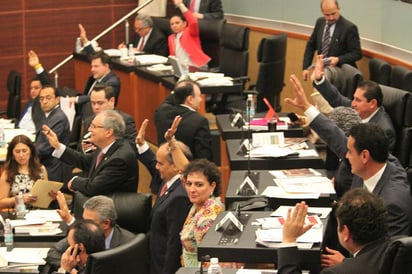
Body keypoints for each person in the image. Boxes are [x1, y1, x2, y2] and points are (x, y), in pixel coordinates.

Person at [285, 73, 412, 266]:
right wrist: (307, 108)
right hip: (344, 238)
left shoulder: (393, 201)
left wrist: (347, 263)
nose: (345, 156)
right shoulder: (372, 163)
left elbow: (389, 258)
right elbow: (337, 138)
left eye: (350, 152)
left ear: (364, 156)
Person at [278, 189, 391, 274]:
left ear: (346, 233)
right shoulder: (397, 253)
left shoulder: (336, 273)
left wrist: (289, 240)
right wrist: (346, 262)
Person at [136, 118, 192, 274]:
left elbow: (174, 242)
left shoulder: (180, 196)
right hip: (154, 255)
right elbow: (152, 163)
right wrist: (142, 145)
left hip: (163, 264)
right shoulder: (168, 180)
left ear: (175, 166)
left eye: (160, 163)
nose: (156, 166)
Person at [41, 109, 138, 196]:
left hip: (113, 212)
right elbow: (85, 161)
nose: (89, 129)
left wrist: (75, 181)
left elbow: (95, 187)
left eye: (93, 126)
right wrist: (58, 146)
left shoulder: (119, 159)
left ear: (108, 132)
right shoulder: (107, 146)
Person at [312, 55, 396, 151]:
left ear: (372, 103)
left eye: (358, 100)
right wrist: (320, 80)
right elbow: (336, 98)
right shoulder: (356, 109)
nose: (353, 104)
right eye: (354, 98)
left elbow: (377, 162)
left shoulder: (383, 130)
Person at [41, 193, 135, 273]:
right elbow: (53, 252)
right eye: (83, 219)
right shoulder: (84, 234)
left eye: (89, 221)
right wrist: (72, 269)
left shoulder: (128, 246)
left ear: (106, 223)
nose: (84, 224)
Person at [28, 49, 120, 119]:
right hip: (82, 113)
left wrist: (76, 99)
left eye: (96, 66)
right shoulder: (93, 78)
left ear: (106, 66)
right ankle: (38, 67)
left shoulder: (113, 81)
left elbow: (97, 97)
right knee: (53, 92)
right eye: (92, 66)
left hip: (100, 117)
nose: (92, 69)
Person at [302, 0, 362, 81]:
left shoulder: (349, 28)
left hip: (340, 71)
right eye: (327, 15)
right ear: (322, 12)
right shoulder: (320, 22)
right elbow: (311, 45)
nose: (331, 17)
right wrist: (306, 67)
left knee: (319, 78)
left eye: (334, 13)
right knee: (317, 77)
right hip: (321, 68)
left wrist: (338, 59)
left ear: (339, 9)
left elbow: (357, 53)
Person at [180, 158, 224, 267]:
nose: (192, 189)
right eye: (189, 184)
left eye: (199, 185)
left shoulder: (208, 217)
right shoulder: (199, 204)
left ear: (212, 186)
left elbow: (207, 260)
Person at [154, 79, 212, 161]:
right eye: (199, 96)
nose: (201, 99)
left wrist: (181, 84)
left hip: (165, 166)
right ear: (190, 99)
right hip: (187, 170)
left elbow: (172, 96)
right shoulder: (200, 121)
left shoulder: (161, 112)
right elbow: (204, 157)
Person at [79, 84, 137, 154]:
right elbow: (79, 146)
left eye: (100, 103)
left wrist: (99, 151)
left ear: (112, 101)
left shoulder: (125, 121)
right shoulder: (89, 120)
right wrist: (84, 148)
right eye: (93, 103)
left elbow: (130, 150)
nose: (96, 107)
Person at [35, 85, 72, 185]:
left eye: (48, 98)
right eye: (41, 98)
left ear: (57, 99)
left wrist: (29, 153)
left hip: (54, 167)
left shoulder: (58, 118)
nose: (44, 101)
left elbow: (46, 148)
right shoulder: (49, 114)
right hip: (46, 164)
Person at [0, 135, 47, 208]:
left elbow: (45, 196)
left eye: (24, 151)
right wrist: (19, 199)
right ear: (12, 154)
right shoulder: (8, 172)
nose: (21, 155)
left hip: (39, 213)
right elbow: (1, 202)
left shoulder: (41, 169)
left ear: (31, 151)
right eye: (17, 152)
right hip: (17, 214)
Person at [169, 0, 211, 68]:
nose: (174, 25)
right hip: (181, 68)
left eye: (177, 23)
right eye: (172, 24)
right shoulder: (171, 38)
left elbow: (193, 21)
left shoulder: (190, 32)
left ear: (185, 23)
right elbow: (173, 56)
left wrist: (181, 5)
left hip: (196, 66)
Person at [18, 58, 43, 132]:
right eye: (31, 88)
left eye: (36, 88)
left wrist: (37, 66)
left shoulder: (42, 104)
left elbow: (47, 83)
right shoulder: (30, 102)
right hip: (19, 131)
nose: (32, 91)